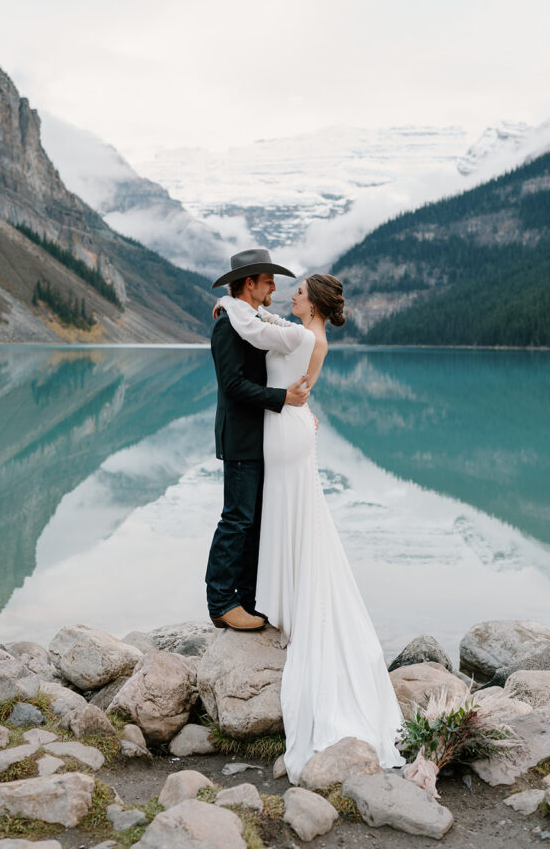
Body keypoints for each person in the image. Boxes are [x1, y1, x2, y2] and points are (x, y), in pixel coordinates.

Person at [217, 273, 406, 783]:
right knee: (291, 515)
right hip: (289, 427)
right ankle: (285, 600)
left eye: (299, 292)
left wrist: (229, 306)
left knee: (288, 512)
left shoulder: (302, 335)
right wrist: (242, 309)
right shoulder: (310, 335)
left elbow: (259, 333)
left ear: (315, 304)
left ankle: (286, 603)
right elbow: (276, 337)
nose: (291, 295)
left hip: (285, 433)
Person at [205, 248, 311, 633]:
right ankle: (220, 602)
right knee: (236, 519)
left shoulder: (246, 318)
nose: (273, 288)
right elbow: (232, 385)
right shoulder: (227, 326)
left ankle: (246, 601)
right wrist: (283, 399)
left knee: (253, 521)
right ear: (250, 284)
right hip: (240, 437)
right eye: (268, 281)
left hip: (262, 436)